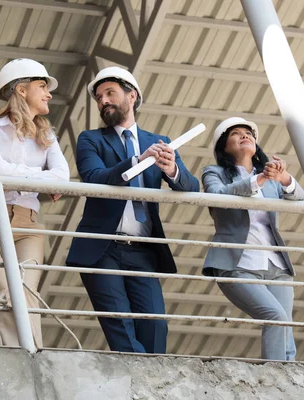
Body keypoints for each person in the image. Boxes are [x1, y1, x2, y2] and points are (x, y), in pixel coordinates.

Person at [66, 66, 200, 353]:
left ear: (132, 95)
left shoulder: (157, 141)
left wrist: (173, 169)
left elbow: (192, 188)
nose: (103, 101)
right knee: (121, 326)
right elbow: (94, 177)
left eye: (110, 93)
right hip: (102, 247)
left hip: (143, 249)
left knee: (155, 327)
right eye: (99, 97)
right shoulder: (91, 139)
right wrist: (137, 161)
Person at [0, 58, 69, 347]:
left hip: (30, 226)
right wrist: (40, 179)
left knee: (26, 293)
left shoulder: (47, 135)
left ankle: (31, 357)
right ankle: (23, 357)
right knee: (4, 293)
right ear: (22, 90)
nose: (48, 94)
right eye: (42, 86)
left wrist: (28, 178)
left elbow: (63, 177)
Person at [202, 117, 304, 361]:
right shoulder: (214, 172)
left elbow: (301, 202)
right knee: (276, 318)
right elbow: (218, 195)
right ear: (223, 146)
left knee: (287, 334)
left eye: (248, 132)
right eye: (236, 134)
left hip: (277, 266)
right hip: (238, 265)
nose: (244, 135)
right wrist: (258, 180)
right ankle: (274, 379)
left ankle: (289, 384)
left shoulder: (270, 179)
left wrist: (284, 180)